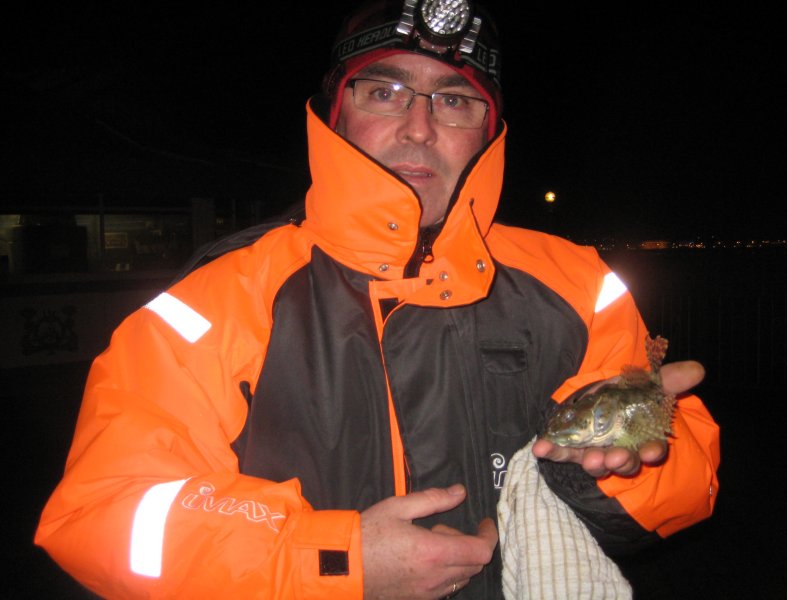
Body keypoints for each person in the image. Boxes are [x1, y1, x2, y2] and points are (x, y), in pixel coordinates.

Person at [35, 1, 720, 598]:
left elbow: (678, 495)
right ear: (338, 114)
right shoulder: (218, 299)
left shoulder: (580, 283)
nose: (420, 127)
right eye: (385, 92)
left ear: (487, 128)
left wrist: (623, 468)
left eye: (454, 99)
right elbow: (100, 518)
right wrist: (334, 561)